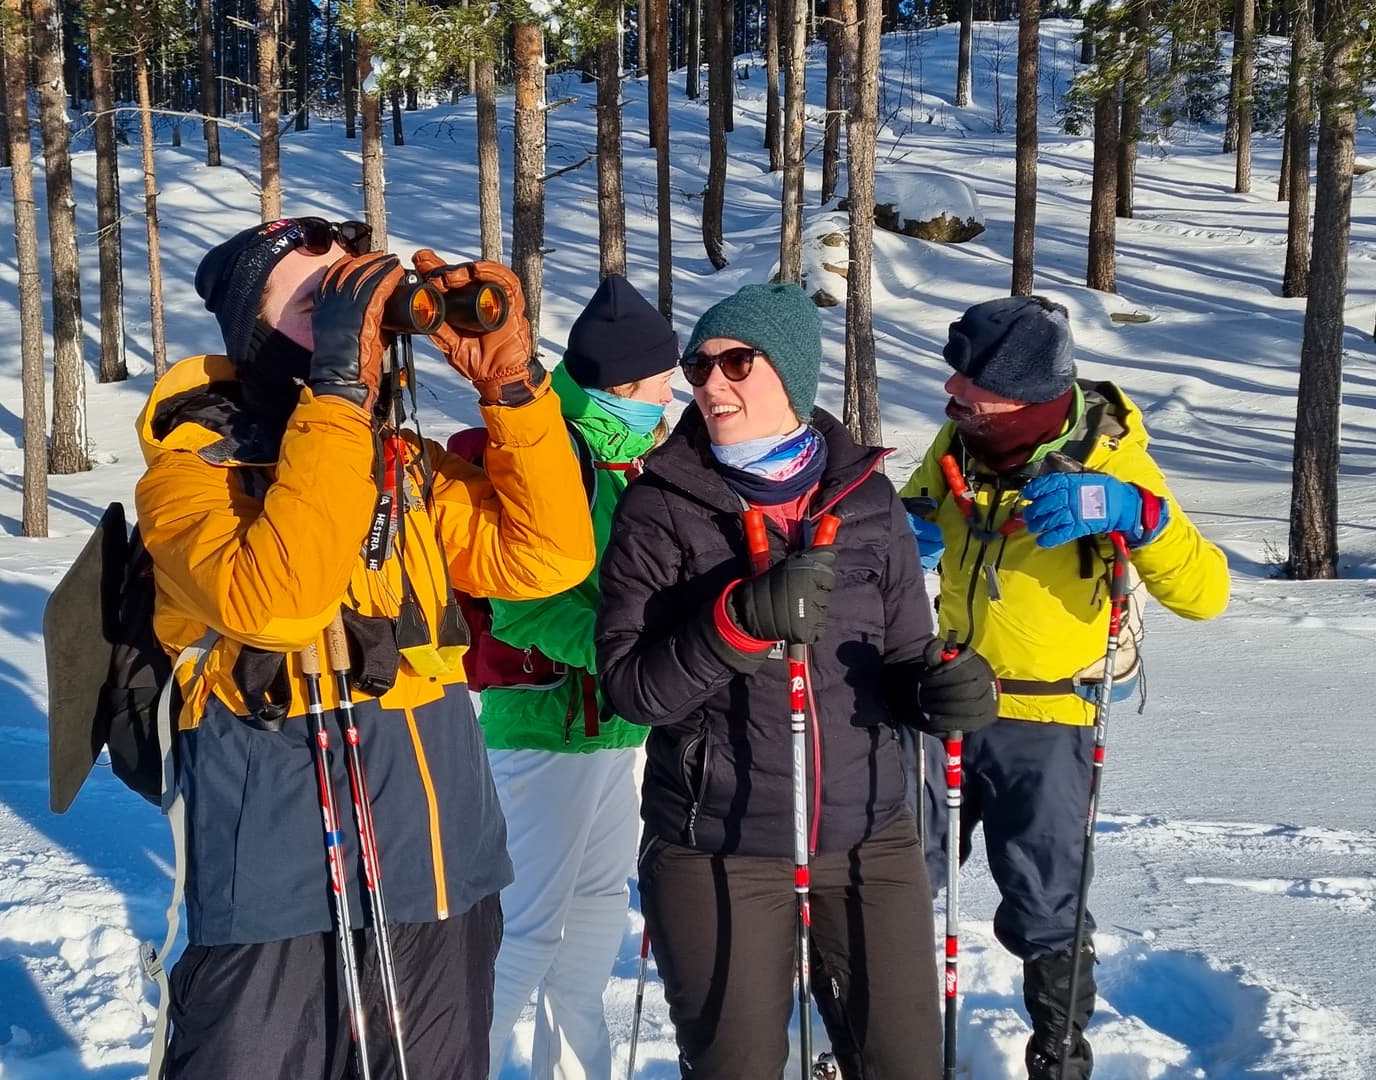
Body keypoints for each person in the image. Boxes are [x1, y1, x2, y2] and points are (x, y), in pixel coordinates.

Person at [134, 216, 596, 1079]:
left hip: (442, 866)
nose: (360, 324)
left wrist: (513, 389)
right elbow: (275, 603)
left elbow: (547, 556)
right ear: (260, 332)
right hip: (276, 887)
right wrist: (338, 391)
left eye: (363, 299)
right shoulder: (191, 478)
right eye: (323, 304)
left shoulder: (404, 468)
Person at [594, 282, 1001, 1079]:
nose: (710, 384)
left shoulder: (868, 501)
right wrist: (735, 625)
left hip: (869, 839)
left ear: (792, 373)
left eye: (736, 362)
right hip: (718, 845)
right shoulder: (658, 507)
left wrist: (939, 692)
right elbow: (632, 688)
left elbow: (903, 663)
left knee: (906, 1063)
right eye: (698, 366)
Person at [900, 295, 1230, 1080]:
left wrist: (1139, 516)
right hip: (942, 700)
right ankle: (875, 1034)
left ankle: (1057, 1050)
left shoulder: (1112, 464)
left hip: (1049, 716)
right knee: (894, 877)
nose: (951, 396)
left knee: (1045, 898)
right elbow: (918, 511)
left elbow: (1207, 593)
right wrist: (902, 523)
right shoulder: (963, 442)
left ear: (1024, 396)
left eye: (970, 387)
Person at [461, 274, 679, 1080]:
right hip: (546, 730)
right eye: (660, 387)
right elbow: (522, 609)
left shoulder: (624, 462)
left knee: (588, 941)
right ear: (622, 387)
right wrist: (638, 650)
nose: (668, 402)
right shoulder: (560, 457)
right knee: (522, 938)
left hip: (613, 734)